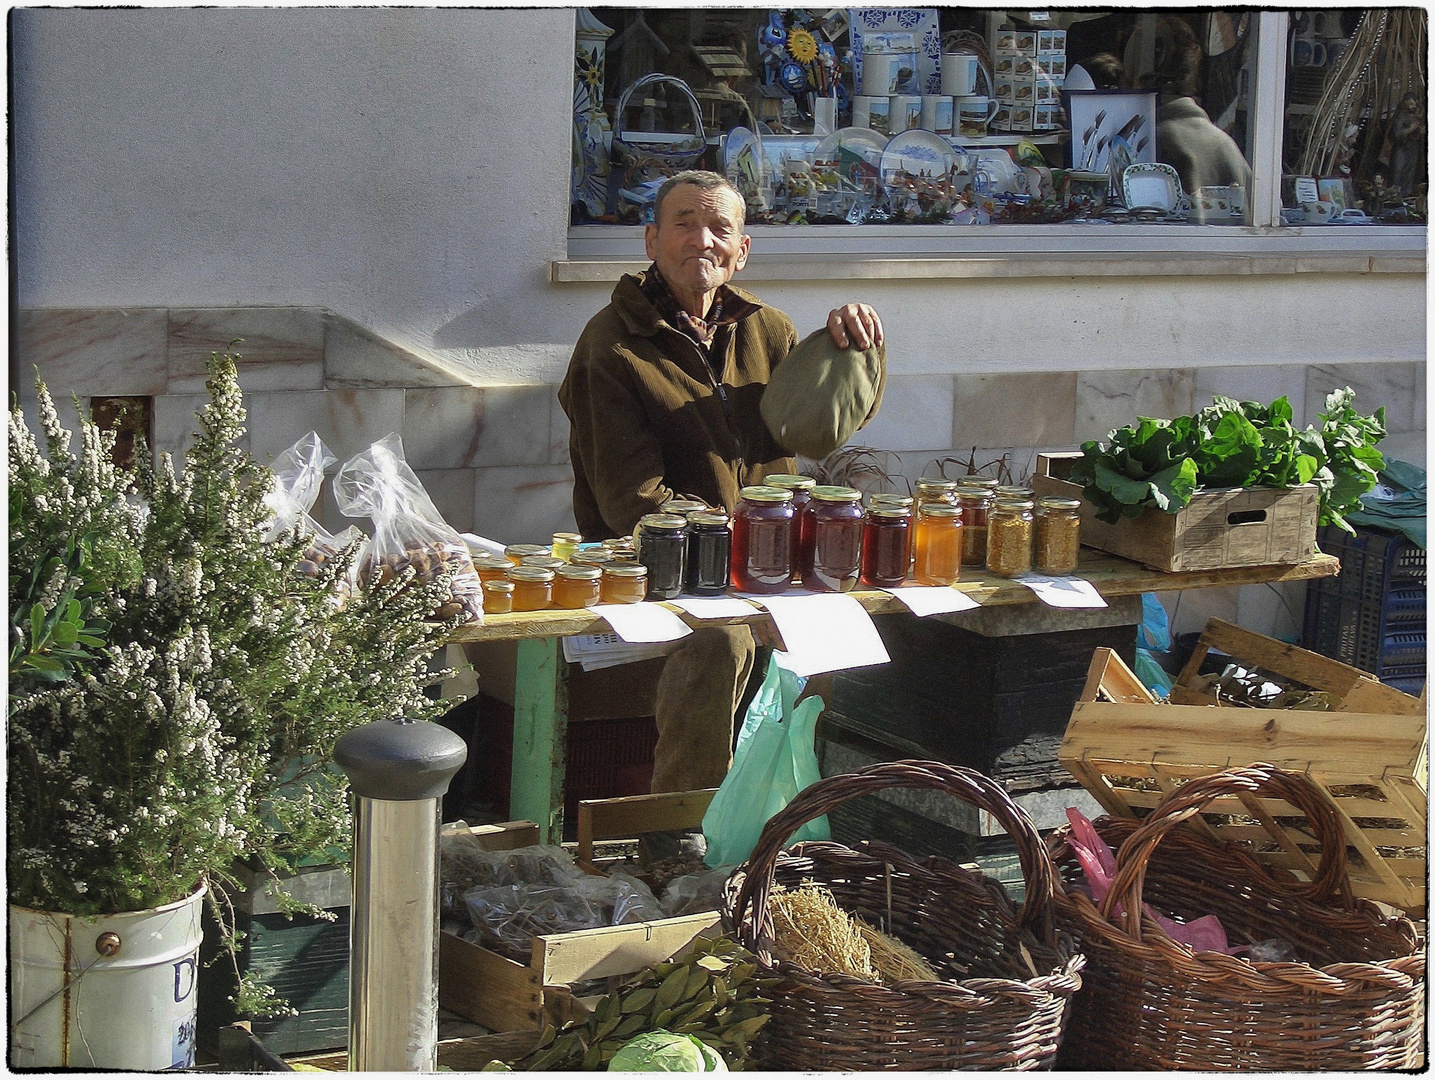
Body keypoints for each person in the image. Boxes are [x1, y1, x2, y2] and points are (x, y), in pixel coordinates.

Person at [558, 169, 882, 792]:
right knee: (721, 643)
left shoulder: (770, 330)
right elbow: (633, 501)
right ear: (650, 241)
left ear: (741, 250)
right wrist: (741, 548)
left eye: (719, 228)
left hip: (758, 558)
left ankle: (804, 812)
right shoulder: (611, 347)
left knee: (854, 622)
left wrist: (853, 351)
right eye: (683, 224)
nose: (701, 240)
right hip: (653, 561)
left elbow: (816, 432)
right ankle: (680, 829)